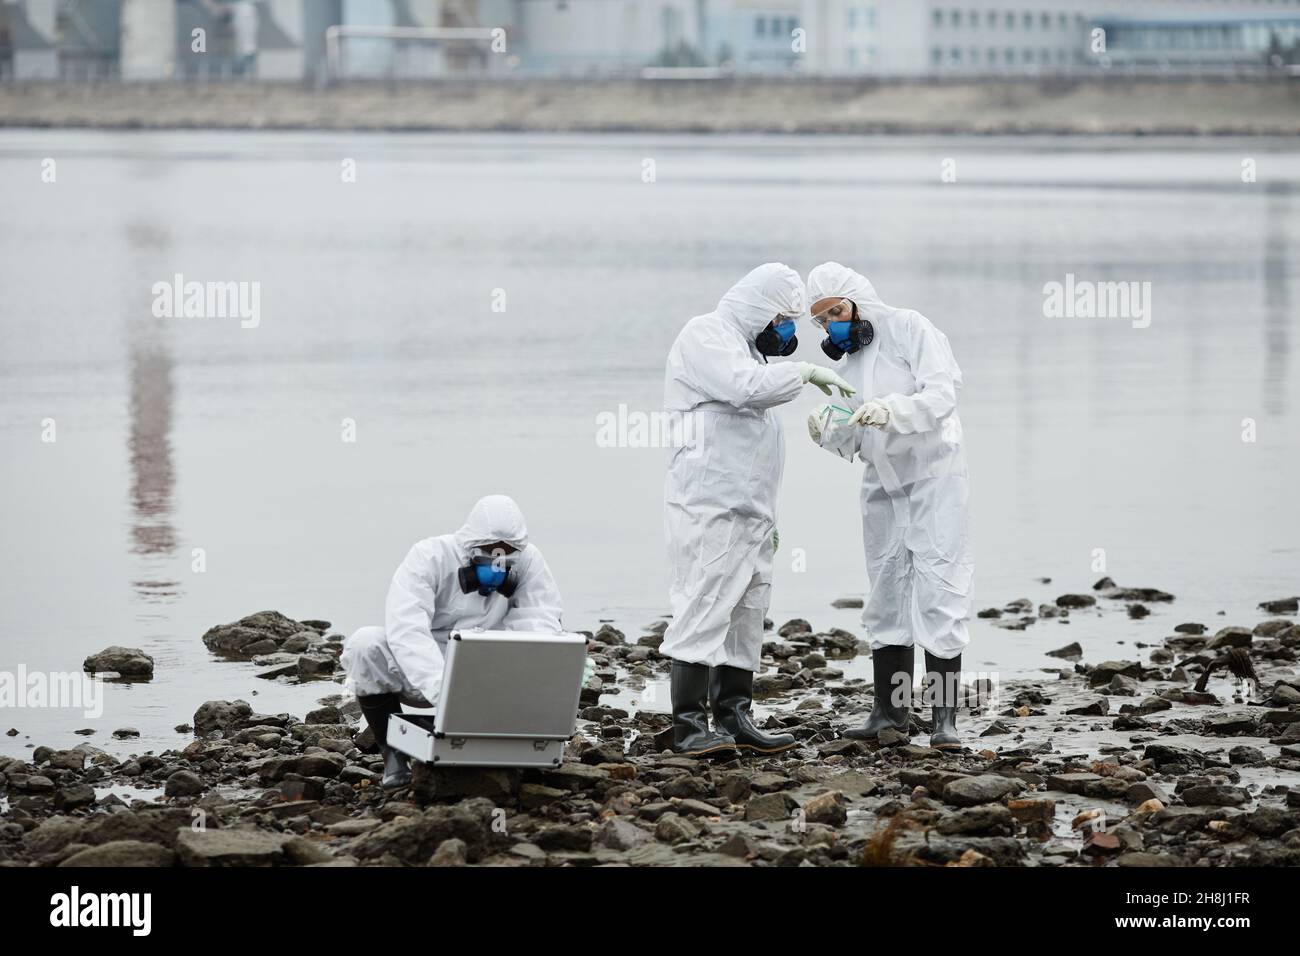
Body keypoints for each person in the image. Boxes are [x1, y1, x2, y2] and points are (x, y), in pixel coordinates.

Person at [662, 263, 856, 757]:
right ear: (758, 310)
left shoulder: (748, 350)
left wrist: (768, 519)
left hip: (751, 514)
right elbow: (743, 387)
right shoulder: (706, 335)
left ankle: (734, 717)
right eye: (784, 319)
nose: (789, 330)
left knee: (748, 615)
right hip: (711, 508)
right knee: (704, 605)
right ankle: (688, 727)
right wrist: (805, 371)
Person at [804, 262, 972, 750]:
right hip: (882, 483)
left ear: (858, 299)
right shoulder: (849, 362)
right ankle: (888, 713)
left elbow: (941, 394)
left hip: (935, 479)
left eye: (836, 311)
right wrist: (829, 427)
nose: (832, 324)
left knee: (941, 588)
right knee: (885, 590)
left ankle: (944, 720)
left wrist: (894, 409)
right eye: (821, 320)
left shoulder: (909, 328)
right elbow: (854, 434)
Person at [341, 495, 566, 788]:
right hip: (425, 668)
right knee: (365, 644)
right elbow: (406, 628)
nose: (499, 558)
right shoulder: (429, 556)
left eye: (508, 552)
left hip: (487, 670)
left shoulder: (529, 560)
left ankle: (514, 747)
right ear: (469, 543)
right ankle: (394, 758)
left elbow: (542, 621)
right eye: (489, 551)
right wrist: (441, 689)